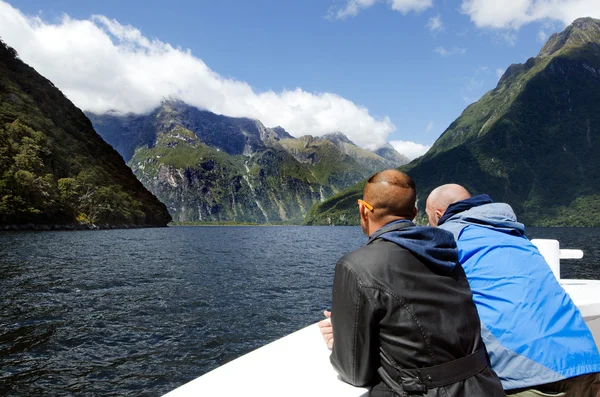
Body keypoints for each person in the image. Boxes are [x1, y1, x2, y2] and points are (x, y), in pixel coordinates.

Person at [317, 170, 505, 397]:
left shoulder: (356, 265)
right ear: (414, 213)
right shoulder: (446, 250)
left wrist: (344, 337)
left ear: (363, 210)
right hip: (485, 386)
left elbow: (355, 373)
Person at [426, 184, 600, 397]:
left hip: (530, 377)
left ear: (437, 214)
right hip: (588, 363)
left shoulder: (448, 237)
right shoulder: (514, 235)